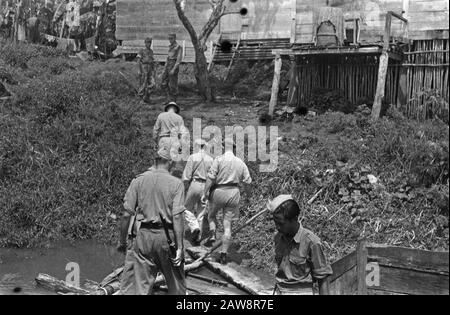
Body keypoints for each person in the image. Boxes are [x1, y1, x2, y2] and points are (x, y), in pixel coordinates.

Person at [118, 146, 186, 295]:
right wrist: (180, 247)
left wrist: (122, 242)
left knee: (141, 288)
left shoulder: (139, 180)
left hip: (143, 237)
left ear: (155, 161)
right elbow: (177, 216)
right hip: (167, 238)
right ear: (170, 162)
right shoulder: (176, 184)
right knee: (177, 286)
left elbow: (126, 215)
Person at [267, 195, 333, 295]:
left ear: (294, 218)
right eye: (275, 223)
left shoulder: (311, 242)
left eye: (281, 223)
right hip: (280, 290)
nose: (277, 227)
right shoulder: (278, 238)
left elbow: (322, 278)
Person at [202, 137, 252, 264]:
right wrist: (248, 196)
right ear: (234, 148)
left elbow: (211, 177)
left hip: (219, 191)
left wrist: (205, 192)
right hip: (234, 192)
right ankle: (224, 254)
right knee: (227, 225)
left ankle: (212, 234)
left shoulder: (218, 159)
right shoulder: (240, 162)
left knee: (211, 215)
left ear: (223, 147)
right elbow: (247, 182)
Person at [182, 139, 214, 244]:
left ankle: (194, 226)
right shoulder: (211, 159)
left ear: (197, 146)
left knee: (186, 208)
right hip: (206, 186)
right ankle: (198, 237)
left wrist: (185, 187)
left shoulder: (193, 157)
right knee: (201, 212)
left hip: (195, 184)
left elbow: (186, 176)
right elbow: (213, 176)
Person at [161, 33, 182, 102]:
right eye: (169, 38)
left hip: (173, 65)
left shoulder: (178, 47)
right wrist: (164, 69)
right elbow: (168, 58)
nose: (170, 40)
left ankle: (173, 101)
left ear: (175, 38)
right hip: (168, 65)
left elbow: (178, 60)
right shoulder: (170, 46)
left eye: (171, 38)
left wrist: (174, 69)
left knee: (173, 85)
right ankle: (168, 98)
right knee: (163, 83)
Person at [137, 37, 156, 104]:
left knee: (153, 84)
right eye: (147, 42)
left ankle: (147, 97)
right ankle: (141, 99)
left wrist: (154, 70)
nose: (149, 44)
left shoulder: (151, 51)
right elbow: (138, 61)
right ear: (145, 43)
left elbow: (152, 61)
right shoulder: (142, 51)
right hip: (144, 68)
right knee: (143, 84)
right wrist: (139, 70)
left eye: (150, 42)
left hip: (150, 68)